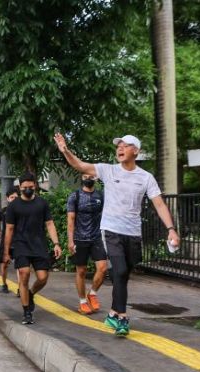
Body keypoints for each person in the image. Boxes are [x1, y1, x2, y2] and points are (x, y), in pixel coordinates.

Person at [55, 132, 180, 336]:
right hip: (111, 230)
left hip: (133, 233)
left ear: (136, 151)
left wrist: (171, 230)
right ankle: (122, 318)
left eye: (125, 145)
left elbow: (159, 203)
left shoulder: (146, 178)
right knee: (119, 270)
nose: (120, 148)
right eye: (118, 146)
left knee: (124, 274)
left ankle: (113, 313)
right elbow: (80, 166)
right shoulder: (108, 170)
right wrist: (65, 150)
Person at [3, 173, 62, 325]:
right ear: (20, 188)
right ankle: (26, 311)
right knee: (24, 274)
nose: (28, 190)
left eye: (30, 187)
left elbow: (49, 224)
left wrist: (56, 243)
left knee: (43, 278)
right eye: (24, 188)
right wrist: (6, 251)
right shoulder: (13, 206)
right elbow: (9, 229)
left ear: (35, 186)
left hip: (39, 245)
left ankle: (30, 293)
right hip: (21, 244)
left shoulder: (42, 203)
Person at [67, 173, 107, 315]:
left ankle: (93, 293)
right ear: (82, 177)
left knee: (102, 268)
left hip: (96, 238)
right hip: (79, 239)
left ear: (96, 178)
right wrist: (70, 241)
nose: (88, 178)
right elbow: (71, 220)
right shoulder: (75, 196)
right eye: (86, 175)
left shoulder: (101, 196)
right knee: (81, 271)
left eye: (92, 175)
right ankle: (83, 302)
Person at [0, 189, 19, 293]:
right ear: (8, 199)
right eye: (12, 197)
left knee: (20, 266)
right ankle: (4, 284)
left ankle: (20, 288)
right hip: (5, 242)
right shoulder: (3, 211)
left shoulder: (22, 211)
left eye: (16, 197)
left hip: (18, 241)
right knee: (4, 265)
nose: (14, 199)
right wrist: (0, 235)